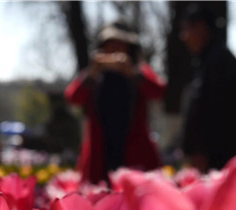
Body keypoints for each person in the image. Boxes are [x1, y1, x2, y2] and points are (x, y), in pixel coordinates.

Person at [65, 22, 166, 184]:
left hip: (135, 148)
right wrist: (91, 74)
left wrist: (133, 73)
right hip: (100, 151)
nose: (114, 49)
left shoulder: (138, 69)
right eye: (110, 44)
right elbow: (72, 97)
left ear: (129, 47)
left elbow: (159, 92)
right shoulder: (94, 73)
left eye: (120, 44)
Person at [180, 4, 236, 171]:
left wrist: (201, 151)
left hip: (216, 159)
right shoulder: (208, 60)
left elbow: (217, 113)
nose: (184, 37)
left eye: (186, 29)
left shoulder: (219, 61)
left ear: (200, 27)